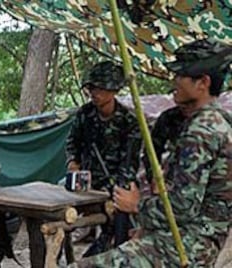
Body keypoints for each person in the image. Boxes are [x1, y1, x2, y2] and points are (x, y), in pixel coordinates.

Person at [73, 37, 232, 267]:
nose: (174, 81)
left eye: (180, 75)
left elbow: (182, 206)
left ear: (202, 83)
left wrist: (136, 205)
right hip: (193, 238)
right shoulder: (217, 120)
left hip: (187, 245)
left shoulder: (202, 129)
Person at [65, 61, 141, 254]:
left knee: (117, 235)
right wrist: (73, 162)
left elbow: (128, 166)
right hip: (85, 185)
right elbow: (72, 142)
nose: (94, 93)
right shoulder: (85, 113)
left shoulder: (128, 121)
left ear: (114, 90)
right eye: (92, 87)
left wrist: (112, 194)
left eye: (100, 88)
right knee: (58, 220)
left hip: (114, 188)